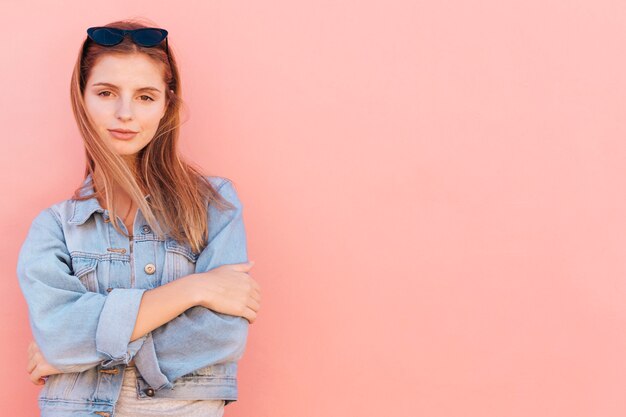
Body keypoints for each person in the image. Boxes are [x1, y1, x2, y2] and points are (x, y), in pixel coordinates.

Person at [16, 18, 261, 417]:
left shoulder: (214, 206)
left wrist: (77, 355)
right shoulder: (54, 228)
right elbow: (58, 337)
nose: (125, 112)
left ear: (167, 105)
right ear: (81, 97)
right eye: (106, 92)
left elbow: (222, 335)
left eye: (145, 96)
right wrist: (192, 289)